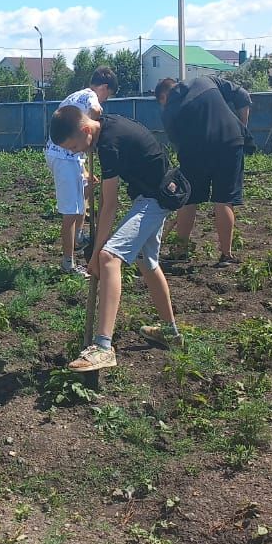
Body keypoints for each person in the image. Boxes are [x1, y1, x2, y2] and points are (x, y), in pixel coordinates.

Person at [47, 105, 181, 373]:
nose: (76, 152)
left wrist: (97, 254)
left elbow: (109, 204)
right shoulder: (103, 129)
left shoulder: (109, 143)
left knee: (109, 258)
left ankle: (103, 347)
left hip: (155, 198)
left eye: (74, 147)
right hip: (155, 194)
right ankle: (170, 332)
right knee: (147, 262)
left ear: (85, 130)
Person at [154, 74, 252, 266]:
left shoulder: (169, 111)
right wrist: (241, 127)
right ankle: (226, 255)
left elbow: (178, 143)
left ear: (163, 97)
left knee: (188, 199)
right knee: (224, 199)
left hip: (195, 152)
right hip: (230, 143)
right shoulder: (205, 80)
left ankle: (180, 251)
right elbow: (243, 95)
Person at [44, 67, 118, 275]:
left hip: (68, 156)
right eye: (107, 95)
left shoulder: (75, 95)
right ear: (104, 87)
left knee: (85, 189)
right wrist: (95, 128)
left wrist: (84, 167)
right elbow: (96, 111)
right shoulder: (91, 96)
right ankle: (68, 263)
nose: (105, 99)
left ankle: (77, 238)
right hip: (64, 156)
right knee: (71, 211)